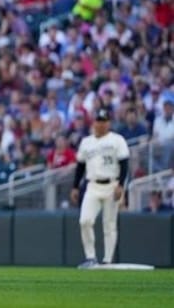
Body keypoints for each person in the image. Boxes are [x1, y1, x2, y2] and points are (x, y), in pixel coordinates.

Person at [70, 107, 130, 269]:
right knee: (85, 221)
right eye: (98, 121)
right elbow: (80, 166)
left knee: (109, 224)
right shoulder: (86, 142)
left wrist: (121, 185)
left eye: (104, 121)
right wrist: (75, 186)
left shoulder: (117, 140)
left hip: (112, 184)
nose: (101, 124)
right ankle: (90, 257)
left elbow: (124, 164)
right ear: (94, 122)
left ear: (108, 123)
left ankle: (107, 260)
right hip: (92, 185)